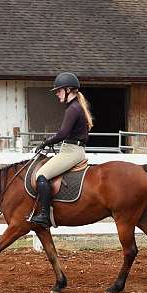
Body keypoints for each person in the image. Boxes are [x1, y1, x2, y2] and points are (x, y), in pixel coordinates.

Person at [30, 72, 94, 227]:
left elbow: (63, 133)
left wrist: (46, 143)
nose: (57, 94)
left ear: (68, 90)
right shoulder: (76, 107)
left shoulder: (73, 109)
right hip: (71, 149)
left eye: (59, 90)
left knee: (41, 175)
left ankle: (45, 215)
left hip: (71, 152)